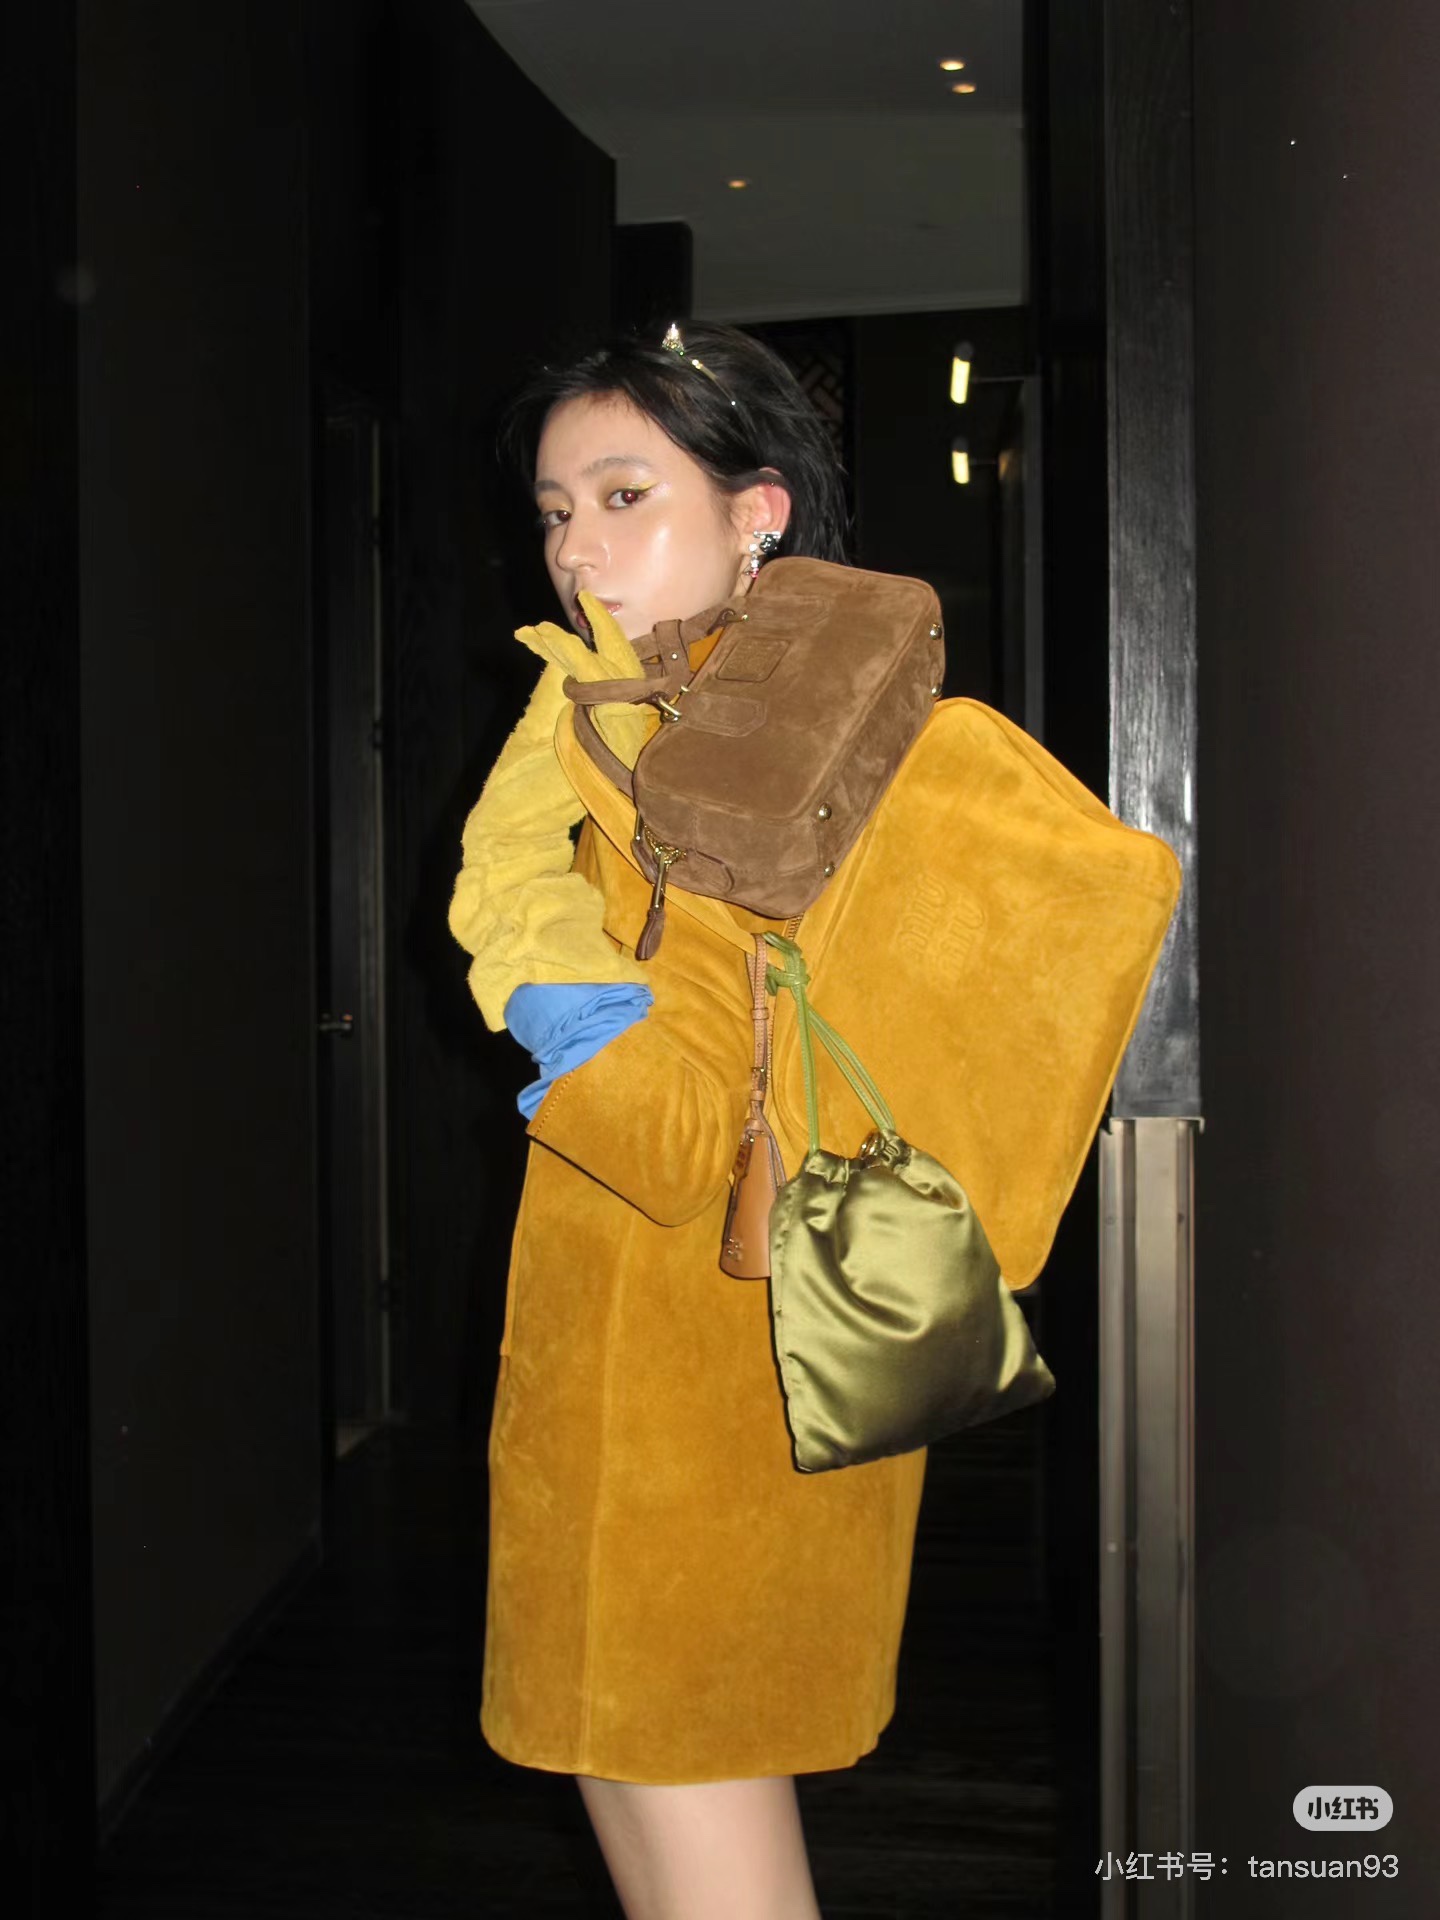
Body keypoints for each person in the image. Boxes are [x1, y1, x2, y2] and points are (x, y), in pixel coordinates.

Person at [447, 321, 932, 1920]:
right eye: (553, 509)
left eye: (623, 495)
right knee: (631, 1782)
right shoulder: (642, 723)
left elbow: (670, 1128)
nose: (574, 548)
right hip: (615, 1361)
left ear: (756, 513)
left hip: (711, 1369)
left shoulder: (776, 743)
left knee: (697, 1804)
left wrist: (535, 956)